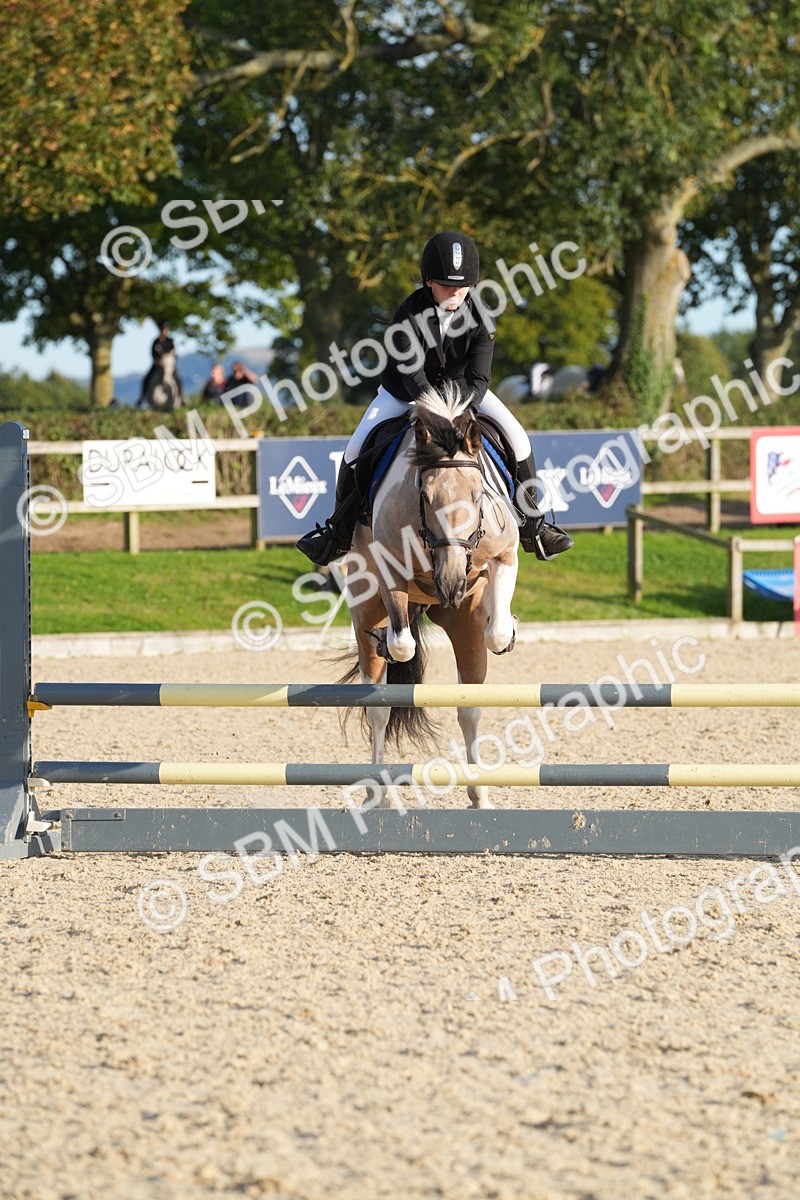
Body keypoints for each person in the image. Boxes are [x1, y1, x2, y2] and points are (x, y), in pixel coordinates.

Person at [297, 231, 574, 565]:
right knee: (356, 448)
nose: (456, 292)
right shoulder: (406, 315)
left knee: (518, 437)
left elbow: (480, 377)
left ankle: (534, 526)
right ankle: (337, 533)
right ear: (428, 281)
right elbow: (412, 376)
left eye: (463, 285)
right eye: (446, 284)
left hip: (465, 394)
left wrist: (459, 407)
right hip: (406, 394)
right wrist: (437, 413)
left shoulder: (482, 316)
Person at [137, 320, 183, 408]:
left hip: (169, 366)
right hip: (158, 365)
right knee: (147, 377)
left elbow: (174, 354)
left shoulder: (170, 342)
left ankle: (181, 396)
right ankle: (142, 398)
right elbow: (152, 353)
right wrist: (156, 360)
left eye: (166, 329)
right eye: (163, 329)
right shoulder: (156, 342)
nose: (164, 331)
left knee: (178, 379)